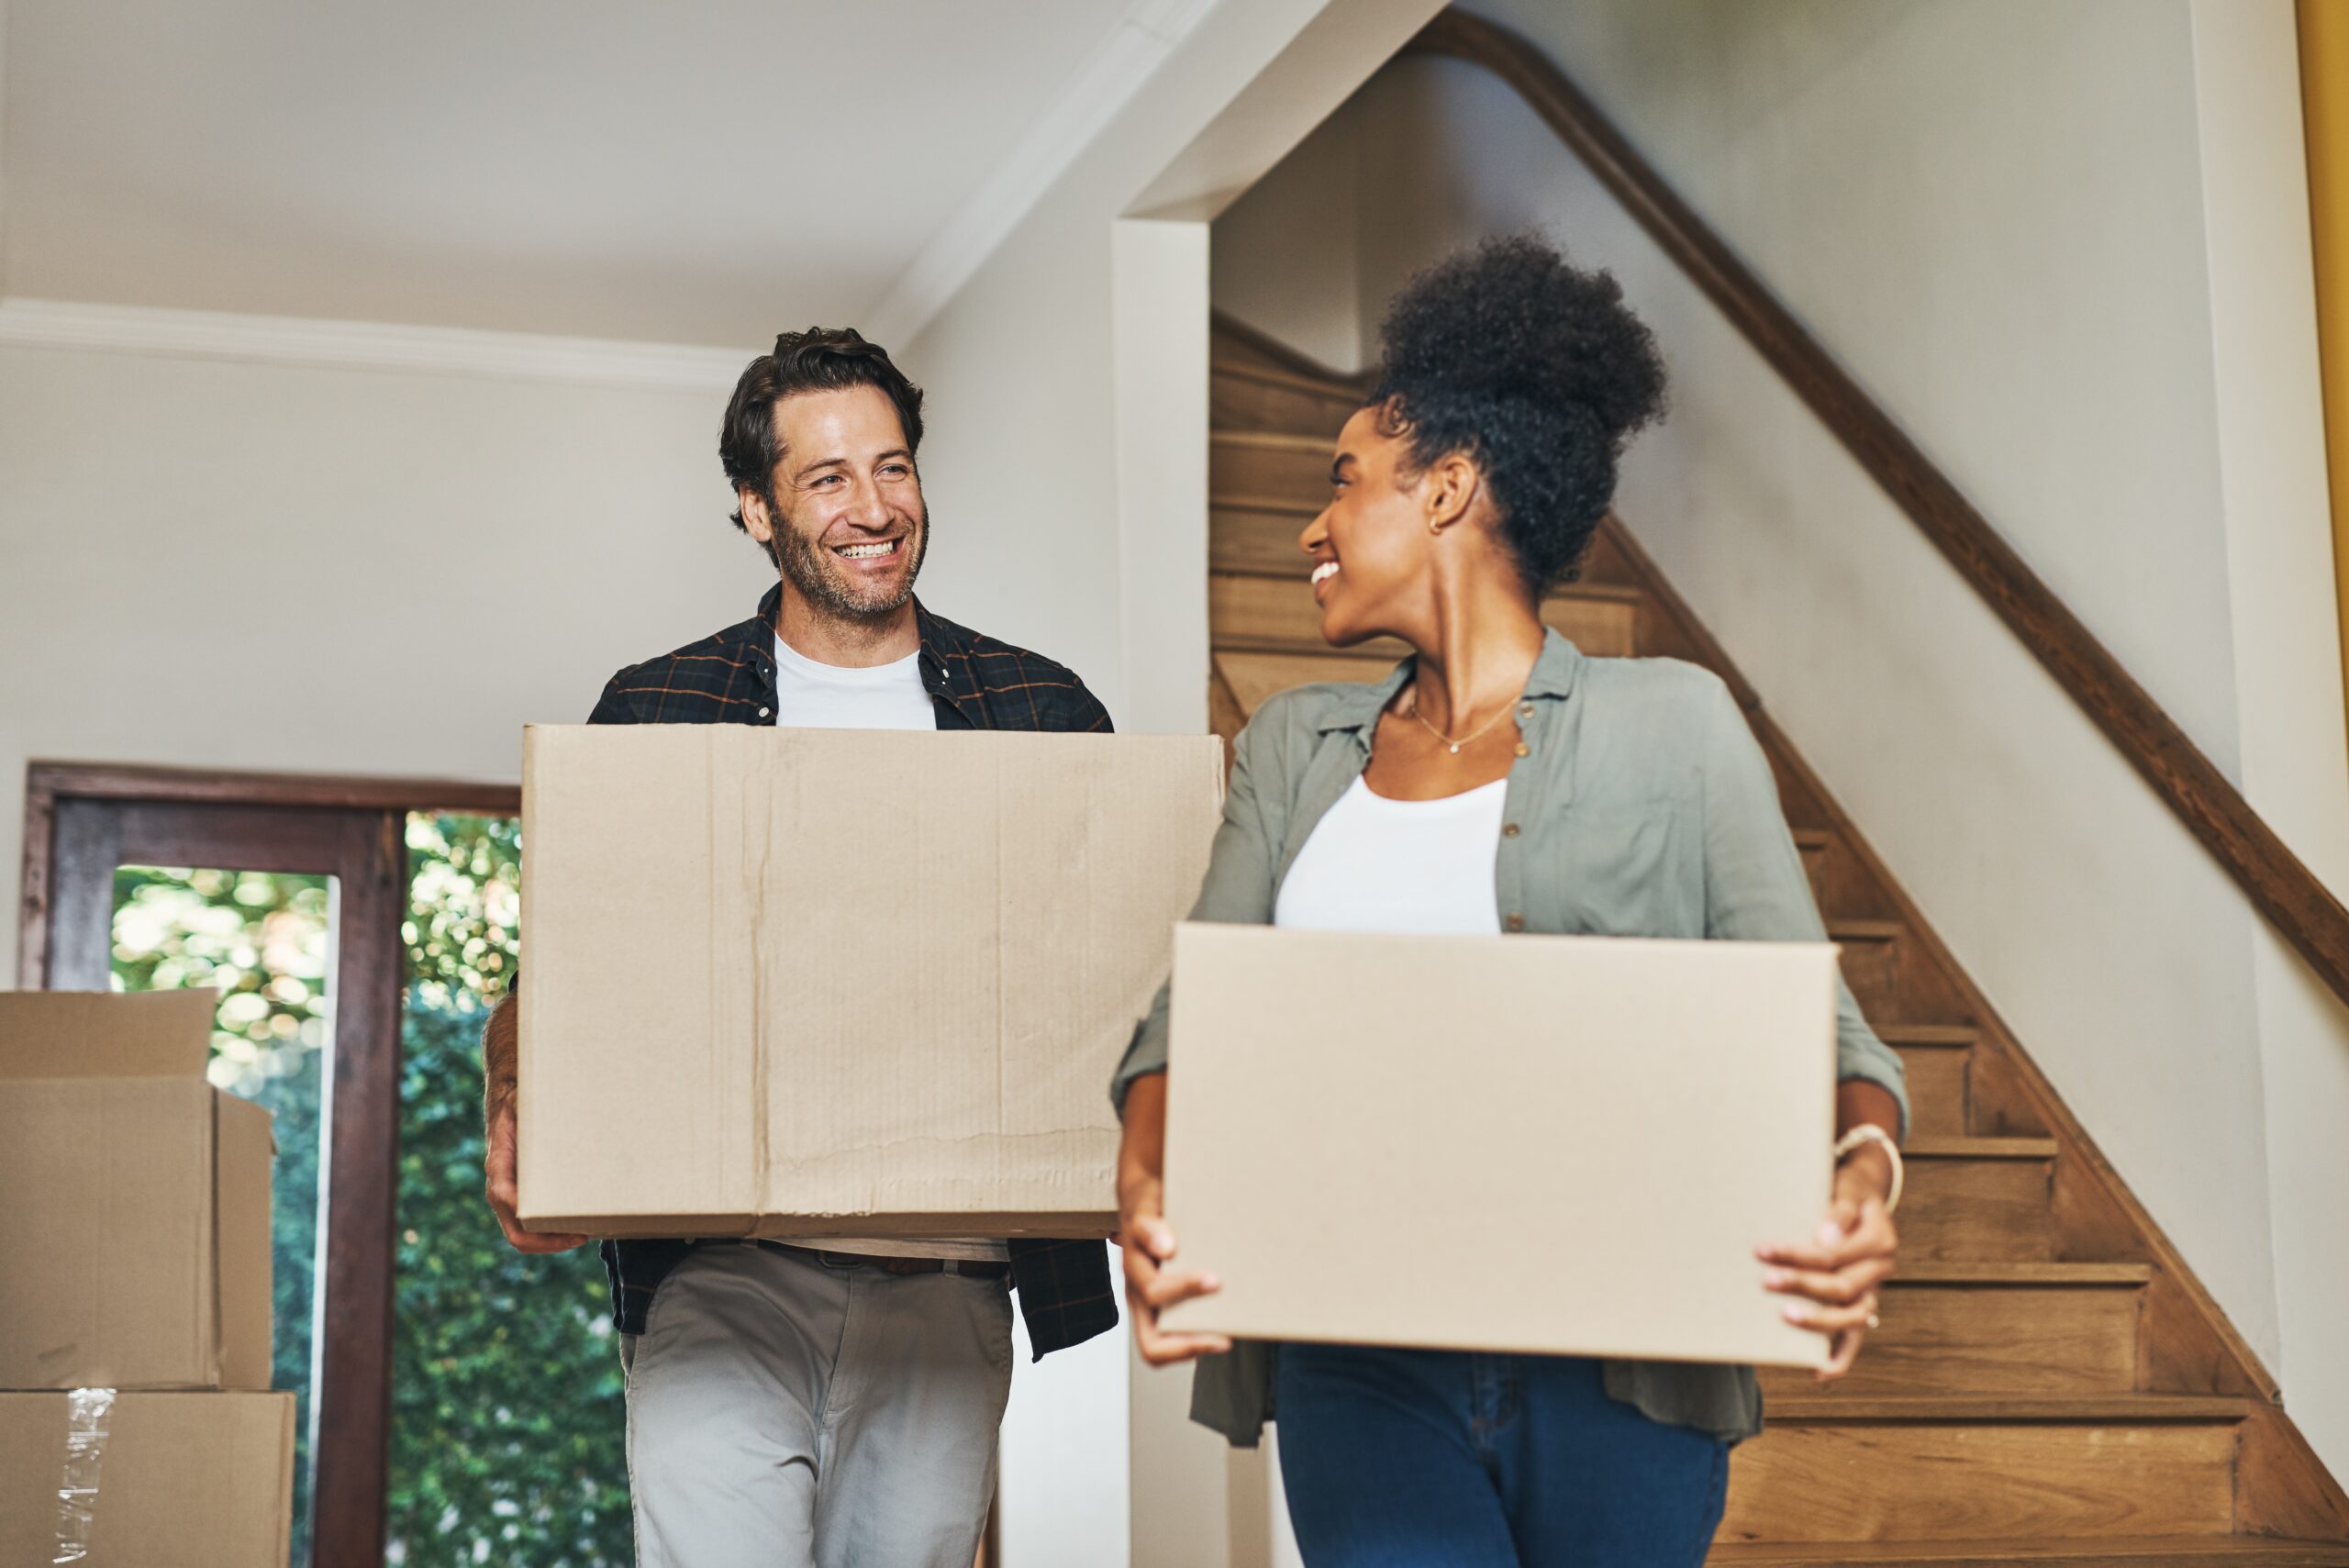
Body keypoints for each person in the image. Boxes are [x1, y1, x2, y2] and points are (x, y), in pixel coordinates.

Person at [1109, 237, 1909, 1567]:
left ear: (1451, 487)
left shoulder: (1678, 727)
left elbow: (1831, 1039)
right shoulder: (1293, 749)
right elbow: (1187, 1021)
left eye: (1345, 480)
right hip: (1354, 1357)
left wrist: (1861, 1175)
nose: (1313, 525)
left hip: (1627, 1376)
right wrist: (1144, 1181)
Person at [478, 327, 1119, 1568]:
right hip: (722, 1269)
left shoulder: (1044, 711)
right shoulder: (657, 707)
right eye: (827, 478)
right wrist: (516, 1094)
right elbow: (557, 970)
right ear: (756, 509)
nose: (873, 508)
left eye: (893, 468)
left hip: (952, 1274)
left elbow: (1106, 980)